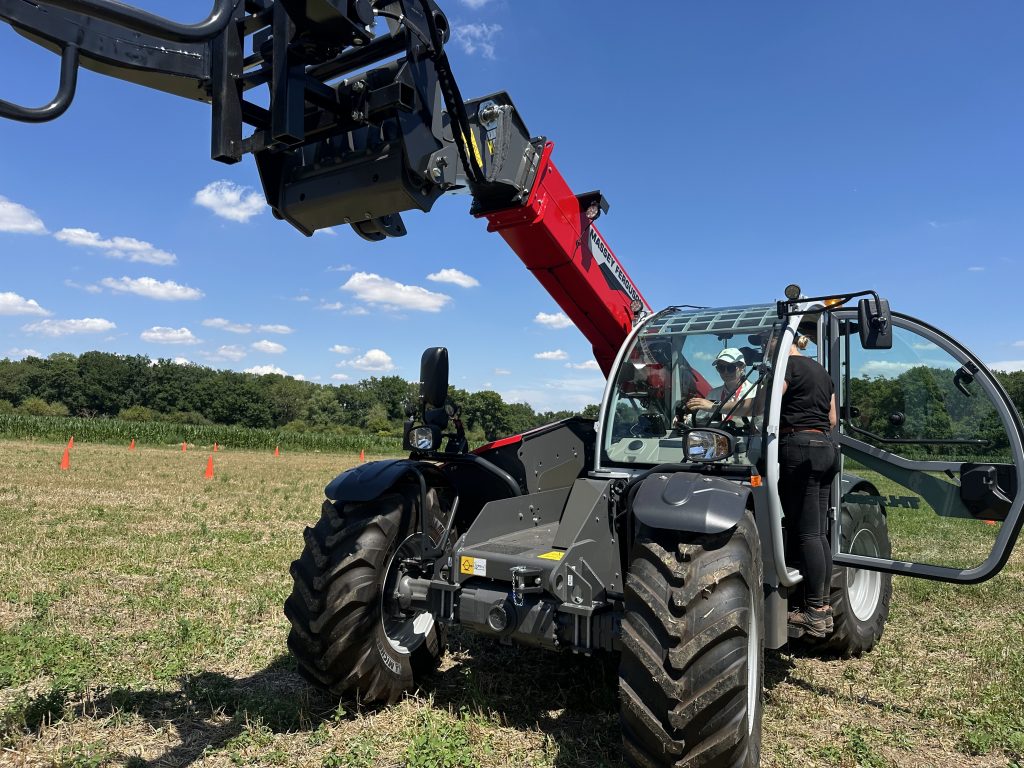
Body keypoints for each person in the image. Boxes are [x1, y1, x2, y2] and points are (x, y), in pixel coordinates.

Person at [777, 334, 839, 638]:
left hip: (798, 447)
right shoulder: (822, 372)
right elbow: (832, 419)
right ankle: (823, 607)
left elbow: (770, 403)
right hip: (826, 449)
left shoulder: (786, 366)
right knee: (818, 533)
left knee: (806, 533)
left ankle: (813, 610)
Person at [683, 348, 756, 424]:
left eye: (730, 367)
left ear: (742, 367)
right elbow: (698, 418)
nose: (726, 372)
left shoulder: (755, 392)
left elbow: (761, 426)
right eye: (721, 368)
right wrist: (684, 419)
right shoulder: (713, 394)